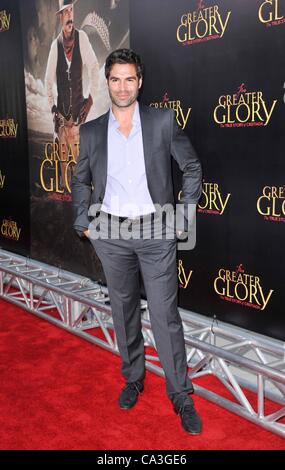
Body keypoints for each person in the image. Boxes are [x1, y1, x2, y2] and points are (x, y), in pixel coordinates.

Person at [71, 49, 203, 434]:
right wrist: (84, 221)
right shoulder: (92, 130)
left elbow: (191, 167)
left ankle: (181, 395)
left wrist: (184, 216)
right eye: (116, 79)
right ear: (107, 81)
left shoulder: (162, 122)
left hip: (155, 231)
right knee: (123, 309)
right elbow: (81, 179)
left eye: (130, 79)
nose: (123, 86)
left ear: (140, 82)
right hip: (110, 232)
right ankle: (133, 378)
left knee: (165, 316)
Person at [45, 0, 99, 192]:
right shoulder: (55, 46)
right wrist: (53, 107)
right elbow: (47, 80)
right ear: (60, 17)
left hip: (77, 115)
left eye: (71, 10)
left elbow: (93, 67)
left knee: (79, 160)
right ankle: (62, 196)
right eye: (65, 11)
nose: (70, 15)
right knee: (62, 159)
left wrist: (90, 99)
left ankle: (80, 195)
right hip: (61, 116)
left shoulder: (82, 38)